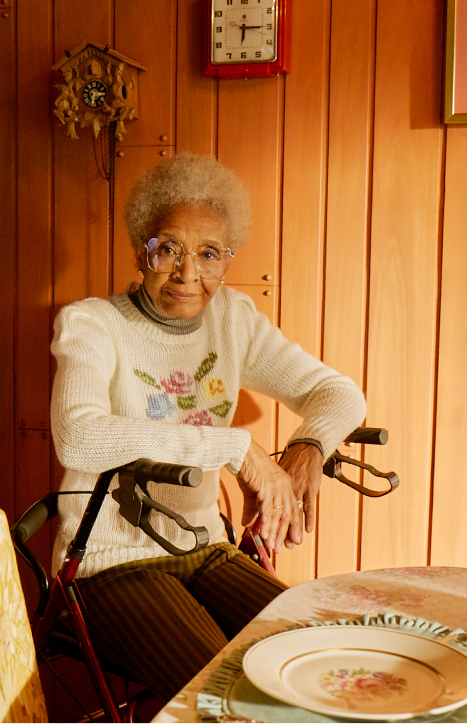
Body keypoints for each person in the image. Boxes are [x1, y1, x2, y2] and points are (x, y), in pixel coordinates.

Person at [49, 153, 367, 698]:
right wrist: (238, 449)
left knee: (316, 659)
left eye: (209, 254)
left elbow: (339, 393)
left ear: (227, 260)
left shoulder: (232, 320)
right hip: (109, 564)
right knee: (230, 692)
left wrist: (307, 447)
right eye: (169, 248)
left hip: (205, 550)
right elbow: (78, 434)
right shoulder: (91, 323)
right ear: (140, 249)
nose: (188, 273)